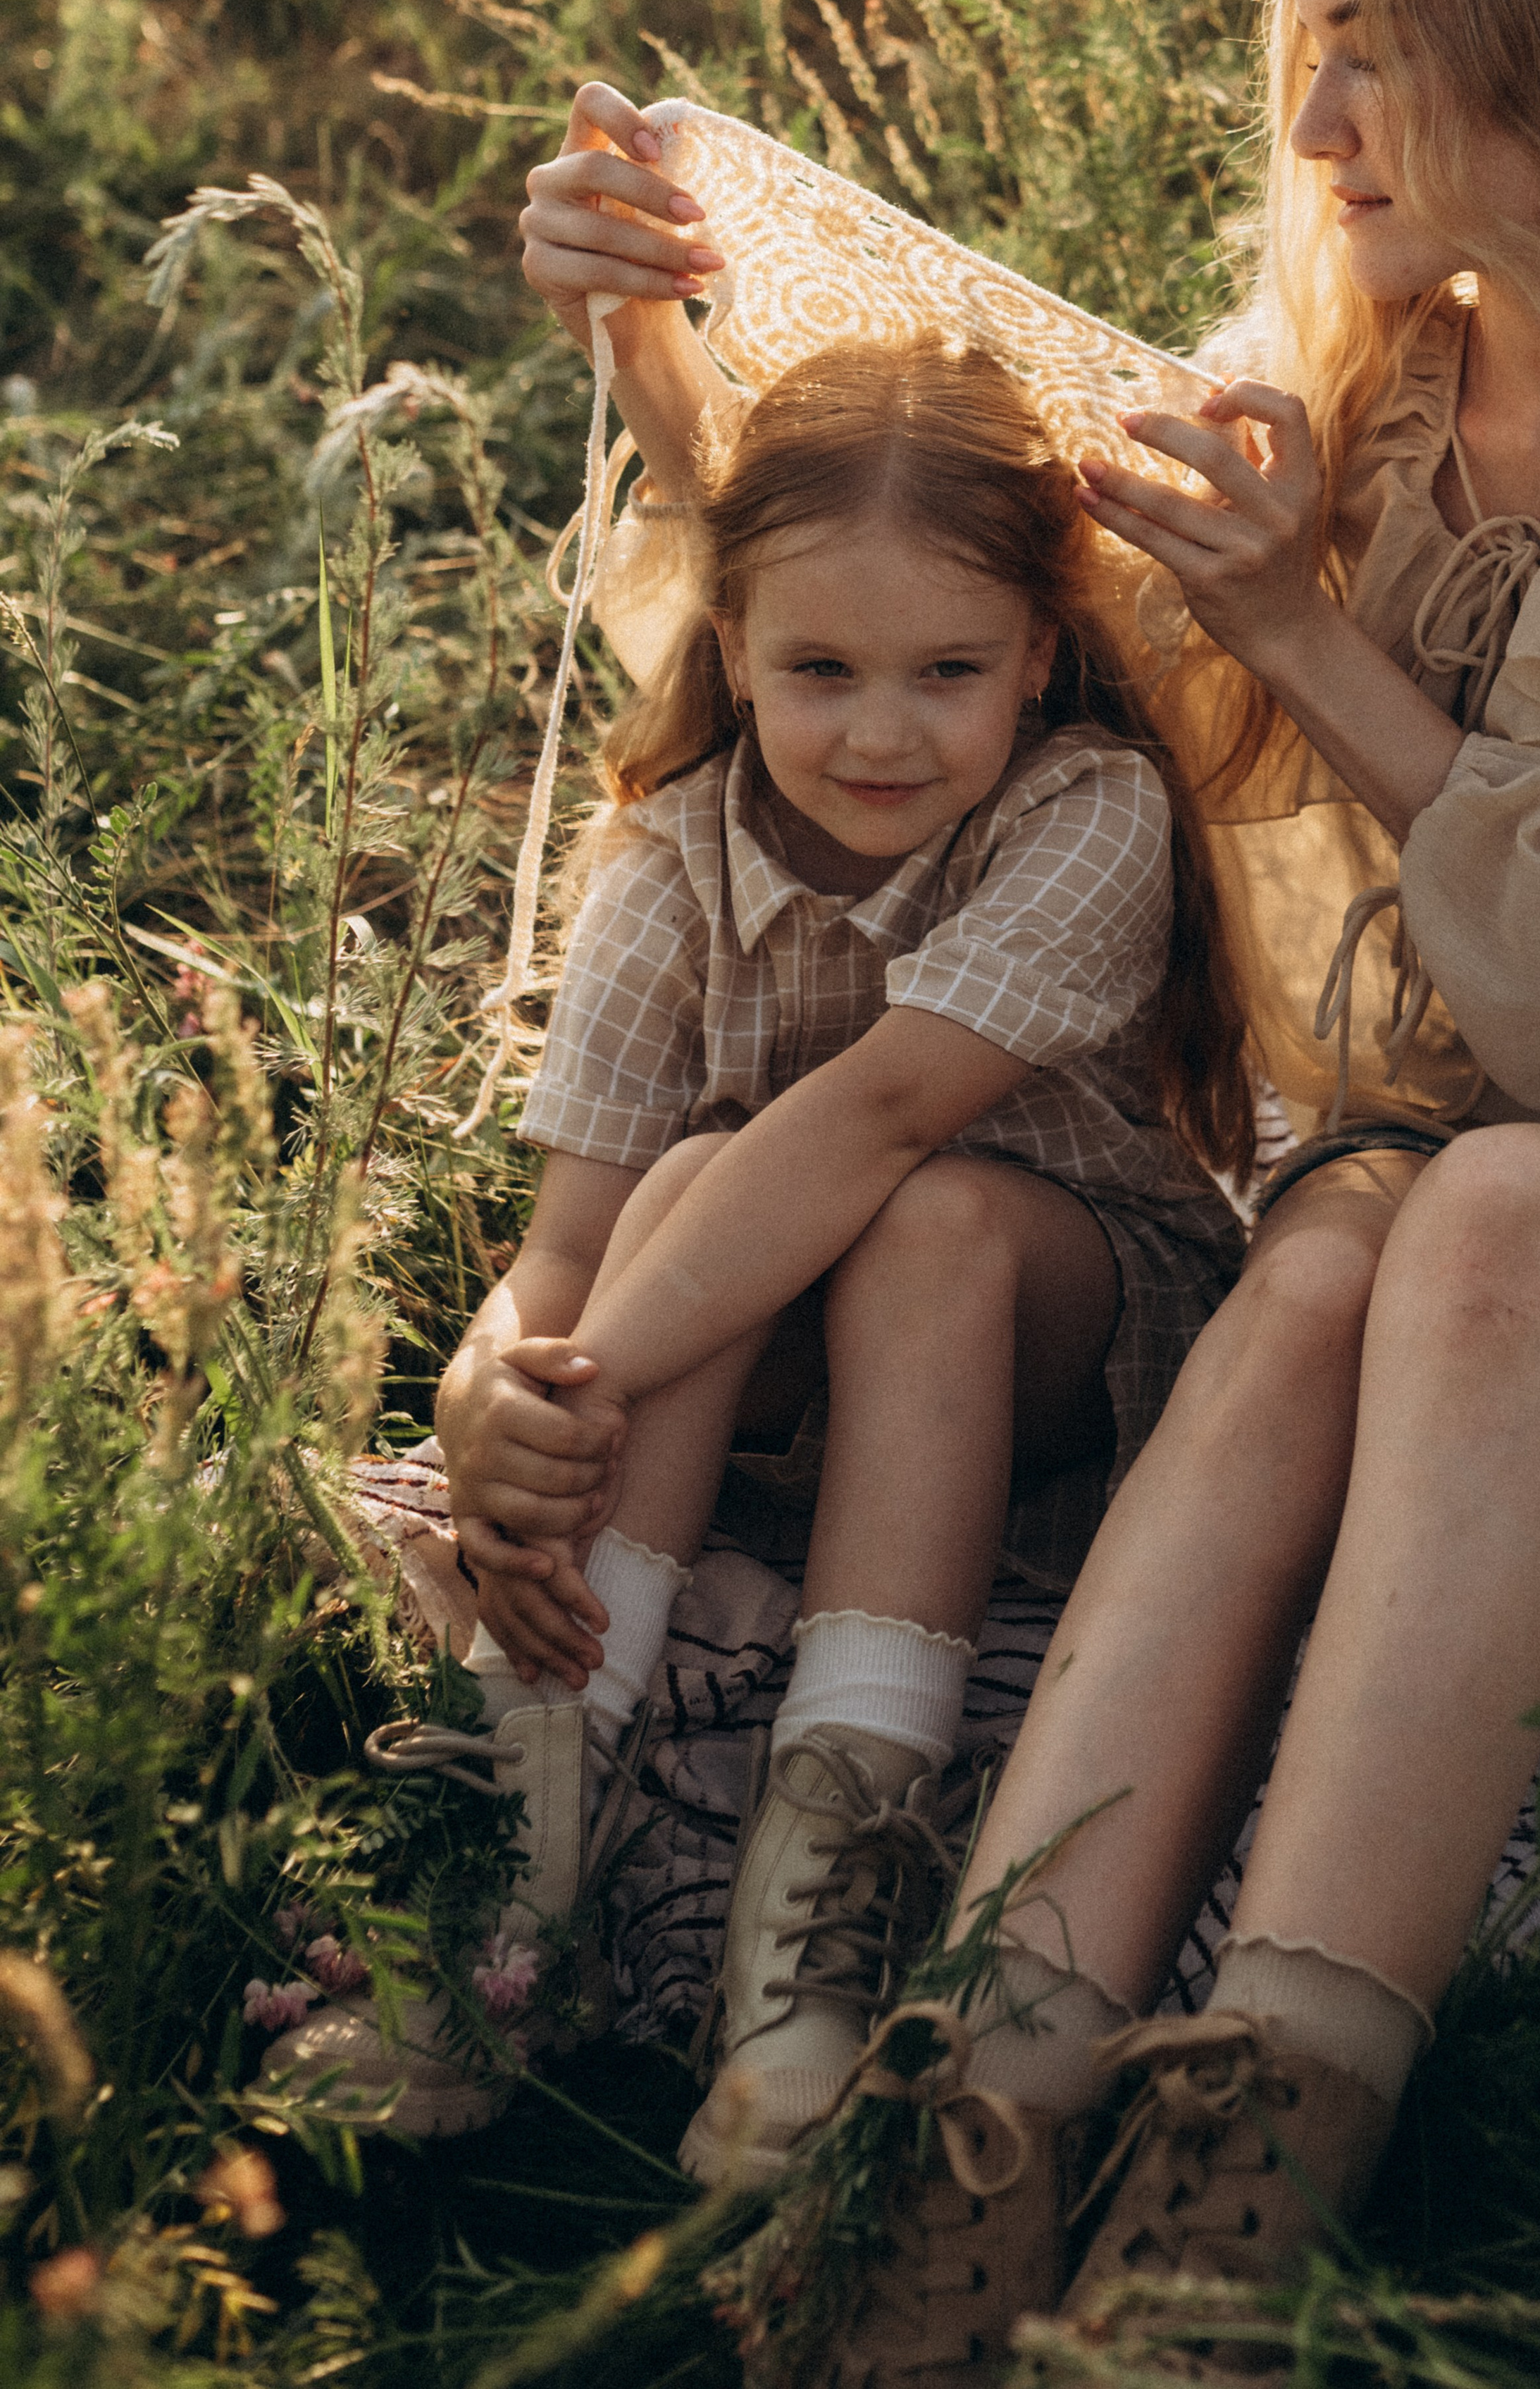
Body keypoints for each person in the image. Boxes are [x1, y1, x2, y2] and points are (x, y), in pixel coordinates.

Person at [515, 0, 1540, 2374]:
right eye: (1300, 42)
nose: (1315, 121)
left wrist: (1299, 622)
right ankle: (967, 2129)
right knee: (1341, 1241)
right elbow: (966, 618)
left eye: (1373, 44)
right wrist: (661, 356)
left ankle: (1227, 2227)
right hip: (1487, 1207)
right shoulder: (1388, 367)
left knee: (1492, 1208)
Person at [270, 329, 1250, 2168]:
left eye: (947, 672)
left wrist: (587, 1378)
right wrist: (496, 1395)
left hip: (1052, 1340)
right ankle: (506, 1870)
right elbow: (570, 1241)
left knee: (909, 1216)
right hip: (765, 1340)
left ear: (1040, 652)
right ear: (728, 647)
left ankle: (807, 1952)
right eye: (819, 669)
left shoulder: (1088, 812)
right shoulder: (669, 856)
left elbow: (874, 1125)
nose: (881, 732)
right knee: (679, 1186)